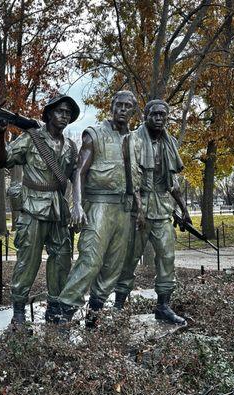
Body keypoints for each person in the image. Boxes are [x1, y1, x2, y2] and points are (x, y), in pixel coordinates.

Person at [57, 90, 143, 327]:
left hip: (124, 210)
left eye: (128, 106)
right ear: (112, 106)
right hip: (99, 205)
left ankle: (94, 316)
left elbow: (135, 179)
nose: (122, 110)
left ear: (133, 111)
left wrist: (140, 209)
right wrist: (77, 205)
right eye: (119, 105)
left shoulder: (135, 140)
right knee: (91, 260)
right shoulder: (94, 134)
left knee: (113, 267)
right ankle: (64, 314)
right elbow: (79, 173)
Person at [0, 94, 80, 326]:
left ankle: (55, 308)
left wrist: (78, 205)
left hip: (58, 211)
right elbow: (2, 161)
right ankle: (19, 312)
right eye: (60, 111)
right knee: (28, 261)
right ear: (49, 113)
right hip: (32, 208)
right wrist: (0, 134)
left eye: (68, 113)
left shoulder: (71, 146)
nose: (64, 116)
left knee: (61, 260)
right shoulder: (31, 138)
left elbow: (76, 175)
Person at [114, 99, 192, 325]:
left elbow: (173, 182)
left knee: (167, 256)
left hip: (162, 208)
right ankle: (118, 305)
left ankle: (163, 306)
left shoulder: (170, 143)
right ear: (145, 116)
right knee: (130, 258)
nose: (159, 118)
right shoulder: (134, 140)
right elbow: (132, 178)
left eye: (163, 115)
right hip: (140, 207)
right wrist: (138, 208)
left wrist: (184, 210)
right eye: (154, 114)